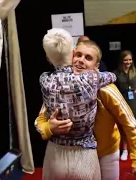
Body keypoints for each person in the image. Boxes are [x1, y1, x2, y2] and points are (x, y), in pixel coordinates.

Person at [35, 40, 136, 180]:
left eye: (88, 58)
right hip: (78, 154)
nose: (81, 60)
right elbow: (41, 119)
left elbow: (129, 123)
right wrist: (49, 128)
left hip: (106, 153)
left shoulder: (106, 89)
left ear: (97, 65)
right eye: (78, 55)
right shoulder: (60, 88)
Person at [39, 29, 116, 179]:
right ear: (73, 52)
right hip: (84, 155)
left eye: (87, 57)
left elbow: (40, 119)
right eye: (79, 55)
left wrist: (48, 127)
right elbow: (112, 76)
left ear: (48, 57)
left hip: (55, 155)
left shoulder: (44, 79)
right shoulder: (92, 78)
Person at [113, 50, 136, 161]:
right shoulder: (116, 73)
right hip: (122, 102)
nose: (128, 62)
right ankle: (124, 150)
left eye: (130, 59)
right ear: (121, 60)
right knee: (124, 127)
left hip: (135, 102)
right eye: (125, 60)